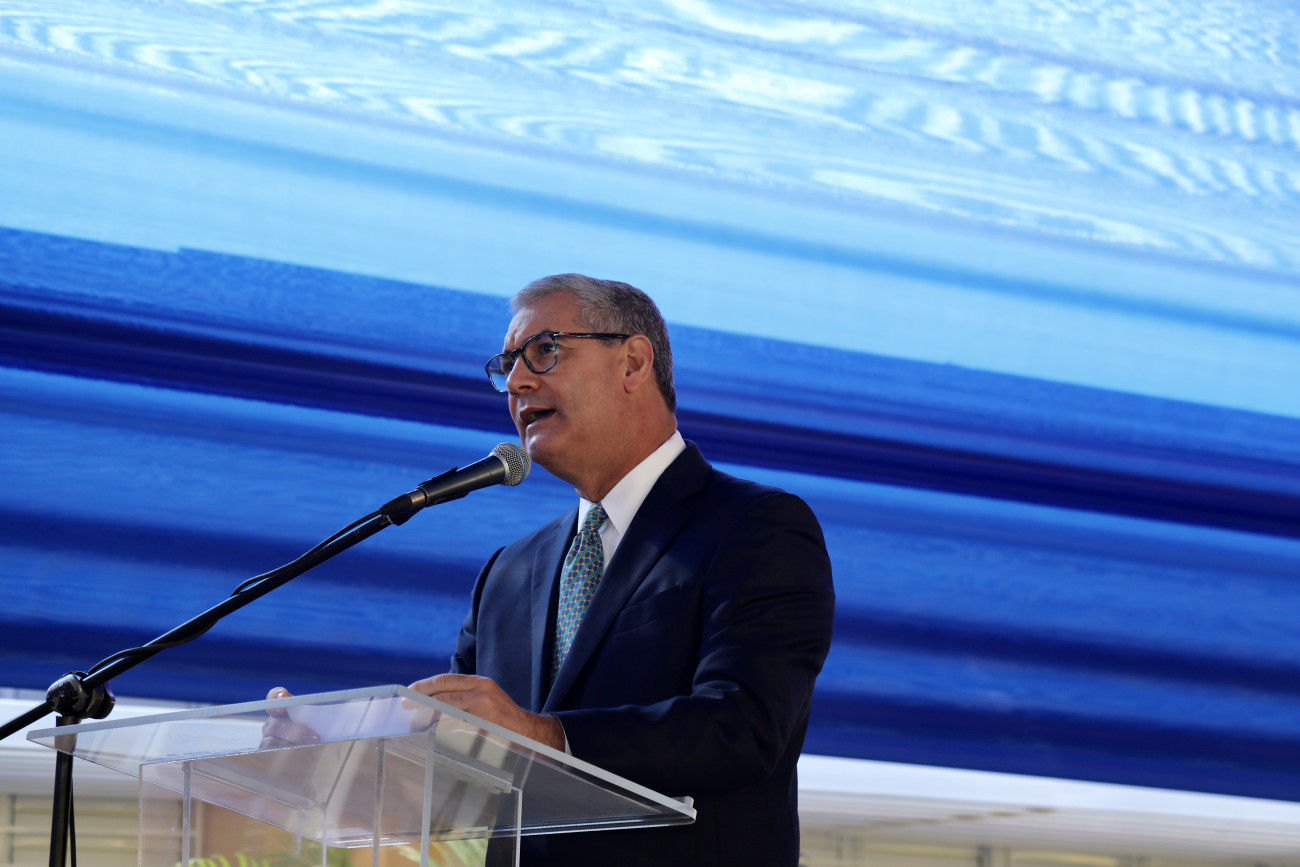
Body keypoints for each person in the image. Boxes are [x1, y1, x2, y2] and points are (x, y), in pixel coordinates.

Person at [409, 274, 836, 866]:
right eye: (506, 366)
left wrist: (545, 737)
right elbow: (461, 762)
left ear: (633, 362)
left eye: (544, 350)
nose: (517, 381)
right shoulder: (508, 573)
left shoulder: (756, 527)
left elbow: (742, 728)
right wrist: (331, 749)